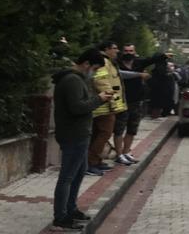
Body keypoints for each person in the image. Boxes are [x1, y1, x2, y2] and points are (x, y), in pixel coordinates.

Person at [52, 49, 113, 230]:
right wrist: (99, 99)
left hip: (79, 134)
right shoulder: (72, 80)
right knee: (68, 177)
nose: (93, 72)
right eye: (94, 68)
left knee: (78, 174)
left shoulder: (78, 79)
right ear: (86, 64)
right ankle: (60, 217)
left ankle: (71, 209)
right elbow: (77, 108)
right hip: (73, 135)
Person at [112, 44, 161, 165]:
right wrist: (139, 75)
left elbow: (151, 59)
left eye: (131, 51)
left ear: (134, 52)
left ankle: (126, 151)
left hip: (136, 101)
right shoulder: (116, 63)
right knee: (119, 129)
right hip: (121, 101)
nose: (128, 53)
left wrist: (164, 56)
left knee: (132, 129)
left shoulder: (138, 63)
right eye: (126, 50)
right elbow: (119, 74)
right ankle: (119, 154)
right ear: (122, 52)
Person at [87, 41, 127, 176]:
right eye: (114, 48)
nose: (117, 51)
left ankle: (96, 161)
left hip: (104, 105)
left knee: (99, 134)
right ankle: (91, 163)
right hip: (104, 107)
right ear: (106, 49)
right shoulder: (103, 62)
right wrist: (114, 104)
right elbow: (102, 82)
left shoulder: (108, 62)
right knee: (104, 134)